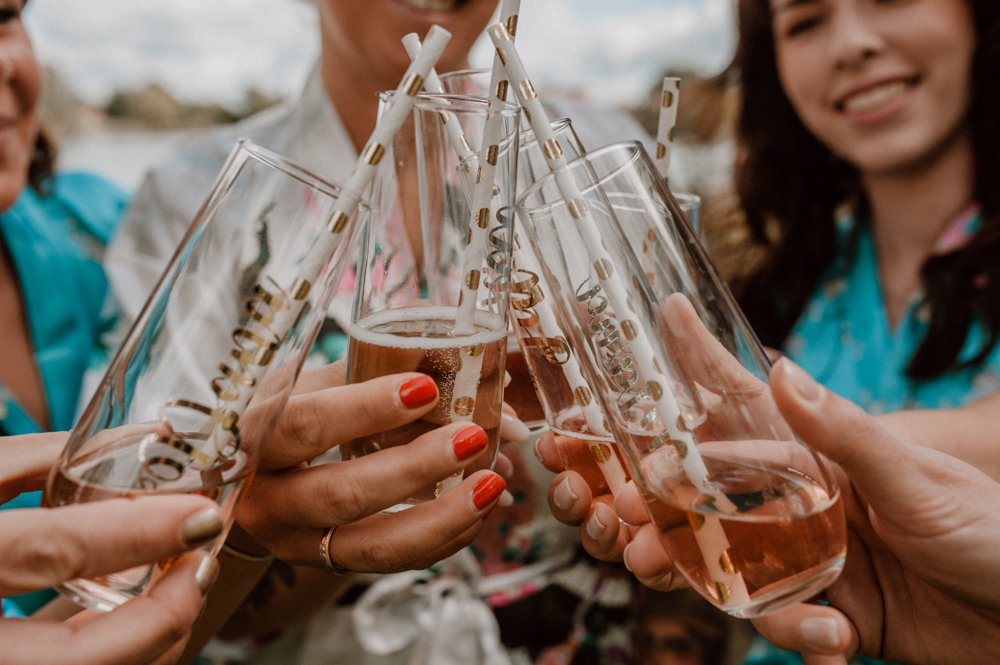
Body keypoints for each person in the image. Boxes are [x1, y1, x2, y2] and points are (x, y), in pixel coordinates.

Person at [104, 1, 655, 663]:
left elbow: (687, 457)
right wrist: (256, 522)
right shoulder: (194, 196)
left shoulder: (600, 166)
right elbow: (121, 580)